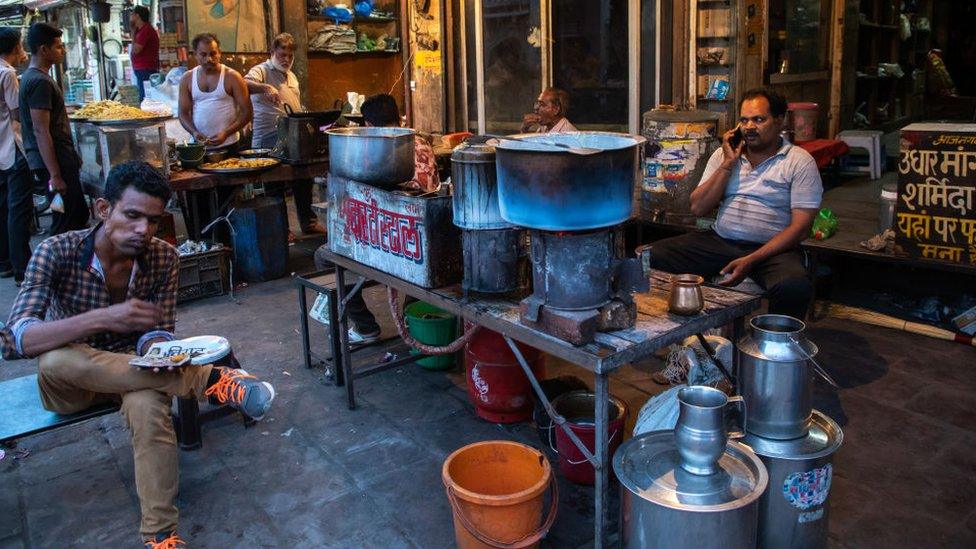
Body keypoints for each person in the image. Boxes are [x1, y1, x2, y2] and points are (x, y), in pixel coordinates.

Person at [0, 161, 276, 549]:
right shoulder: (56, 251)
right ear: (102, 209)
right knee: (54, 359)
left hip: (137, 373)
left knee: (149, 408)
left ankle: (160, 535)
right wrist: (102, 317)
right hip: (71, 383)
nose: (143, 230)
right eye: (132, 216)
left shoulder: (162, 257)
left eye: (153, 220)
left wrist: (154, 348)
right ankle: (211, 381)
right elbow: (14, 340)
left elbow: (158, 333)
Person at [649, 88, 822, 320]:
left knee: (793, 287)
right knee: (651, 256)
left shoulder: (798, 161)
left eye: (759, 119)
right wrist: (728, 164)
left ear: (779, 121)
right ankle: (669, 327)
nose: (749, 126)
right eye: (744, 120)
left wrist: (751, 260)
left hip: (772, 250)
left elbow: (801, 228)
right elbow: (698, 207)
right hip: (720, 241)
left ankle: (774, 347)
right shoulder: (725, 155)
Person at [312, 93, 437, 344]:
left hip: (400, 242)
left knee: (323, 257)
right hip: (426, 233)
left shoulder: (377, 150)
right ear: (399, 118)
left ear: (368, 125)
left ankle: (366, 327)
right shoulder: (420, 142)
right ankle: (412, 320)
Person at [245, 32, 325, 236]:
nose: (286, 60)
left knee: (303, 178)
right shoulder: (261, 70)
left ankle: (308, 223)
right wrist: (265, 87)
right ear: (272, 53)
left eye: (290, 56)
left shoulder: (292, 76)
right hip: (268, 137)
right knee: (275, 183)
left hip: (292, 137)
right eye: (282, 55)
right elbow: (243, 84)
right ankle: (282, 229)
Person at [20, 23, 89, 236]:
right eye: (58, 46)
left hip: (57, 161)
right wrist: (55, 175)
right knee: (65, 221)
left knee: (77, 215)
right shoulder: (39, 81)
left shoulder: (34, 78)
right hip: (56, 163)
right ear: (43, 49)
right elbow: (41, 130)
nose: (63, 51)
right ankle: (55, 266)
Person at [178, 33, 251, 150]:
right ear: (195, 55)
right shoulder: (187, 79)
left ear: (219, 53)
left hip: (229, 144)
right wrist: (194, 132)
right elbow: (183, 113)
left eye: (213, 54)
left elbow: (247, 113)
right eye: (203, 54)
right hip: (199, 146)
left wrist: (226, 133)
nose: (209, 59)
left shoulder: (232, 77)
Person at [0, 28, 31, 287]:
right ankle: (23, 268)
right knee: (18, 209)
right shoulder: (8, 73)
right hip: (12, 147)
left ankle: (5, 263)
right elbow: (17, 113)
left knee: (3, 207)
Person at [129, 4, 160, 103]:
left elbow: (136, 50)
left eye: (132, 14)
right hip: (142, 68)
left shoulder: (145, 30)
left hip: (146, 69)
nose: (130, 17)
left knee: (146, 96)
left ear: (137, 16)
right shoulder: (141, 30)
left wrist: (133, 34)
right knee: (144, 94)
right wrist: (133, 33)